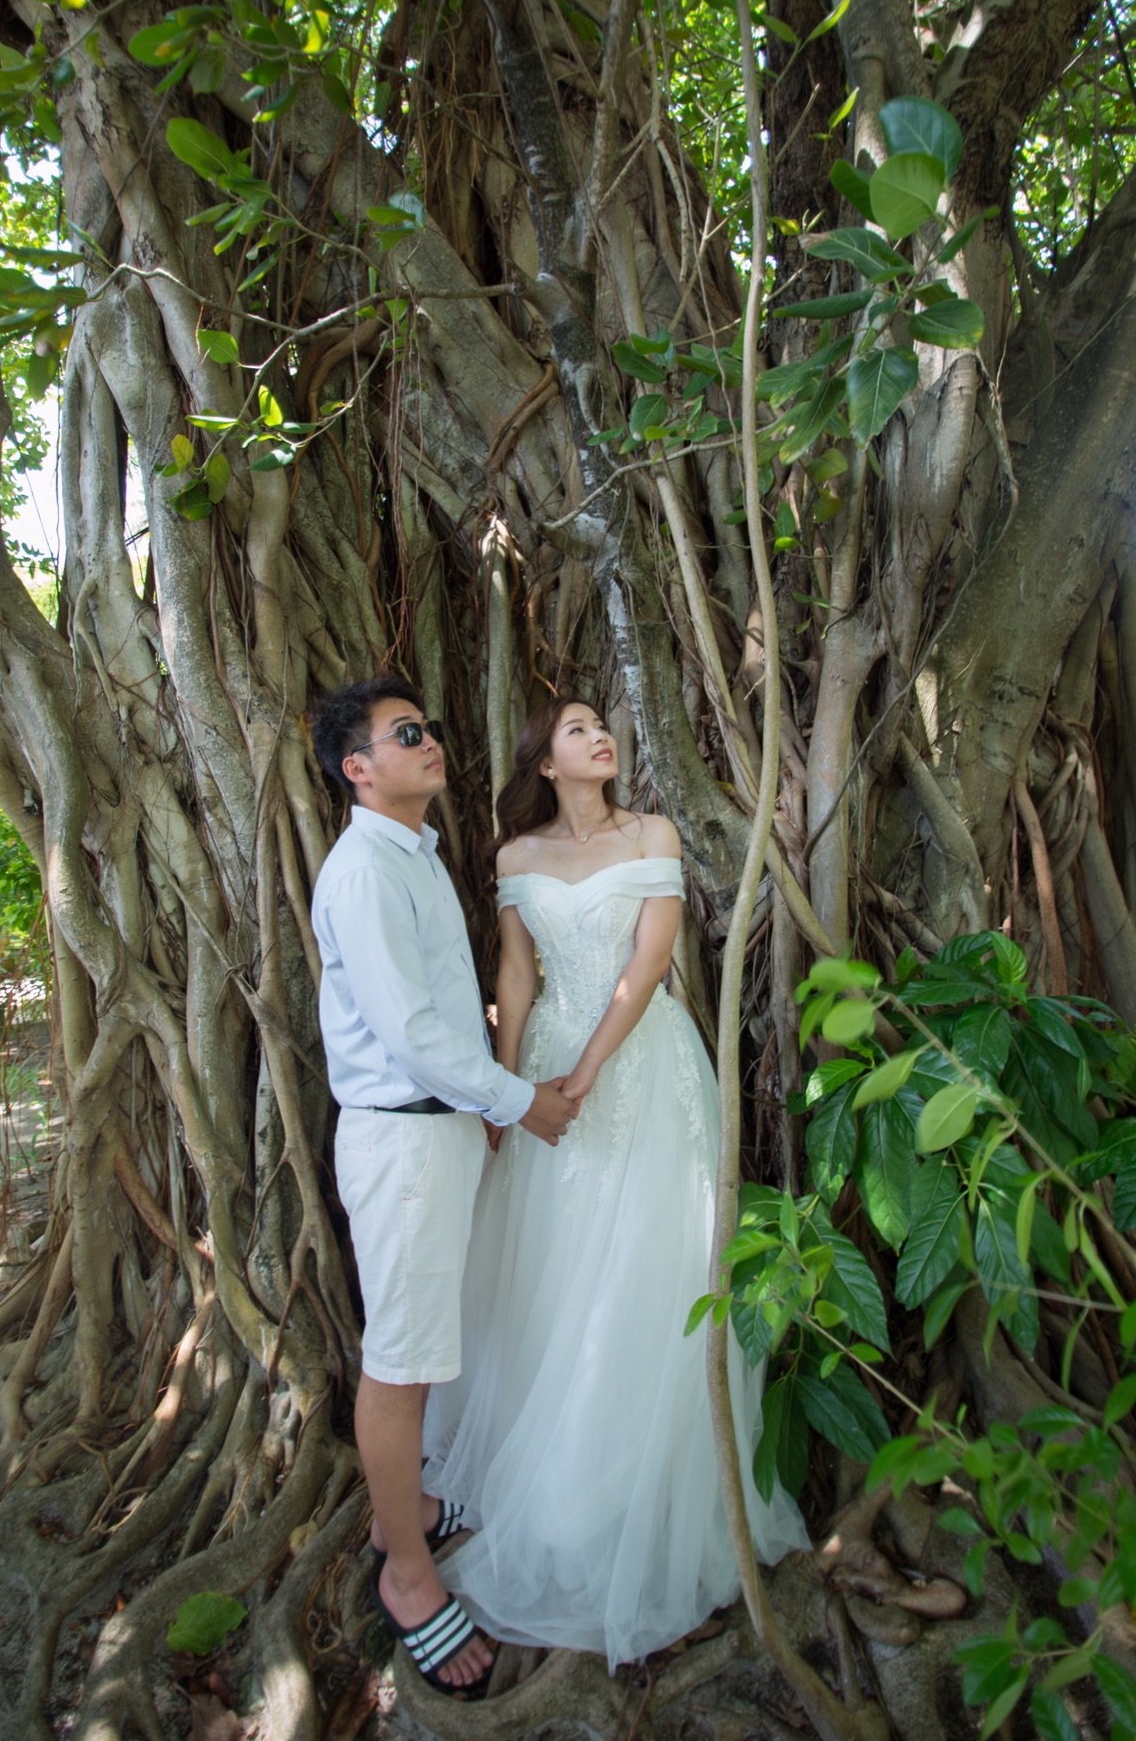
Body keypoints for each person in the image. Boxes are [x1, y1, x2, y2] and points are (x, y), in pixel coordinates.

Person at [423, 697, 809, 1667]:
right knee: (554, 1282)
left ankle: (644, 1509)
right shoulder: (515, 858)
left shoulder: (654, 833)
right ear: (545, 763)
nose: (600, 738)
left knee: (647, 1273)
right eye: (576, 729)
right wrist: (508, 1092)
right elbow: (514, 975)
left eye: (603, 726)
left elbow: (648, 961)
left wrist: (587, 1072)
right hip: (546, 1073)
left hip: (643, 1070)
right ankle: (556, 1500)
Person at [309, 675, 575, 1694]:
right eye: (404, 734)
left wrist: (483, 1110)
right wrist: (515, 1101)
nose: (430, 743)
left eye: (429, 725)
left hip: (442, 1134)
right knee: (402, 1359)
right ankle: (408, 1578)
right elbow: (413, 1036)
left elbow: (442, 1018)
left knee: (425, 1345)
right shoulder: (363, 874)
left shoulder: (409, 856)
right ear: (358, 768)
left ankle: (401, 1511)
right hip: (404, 1147)